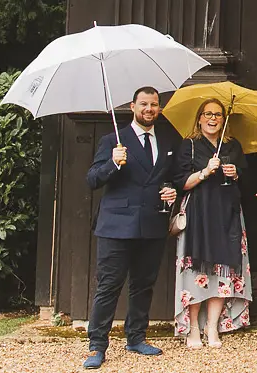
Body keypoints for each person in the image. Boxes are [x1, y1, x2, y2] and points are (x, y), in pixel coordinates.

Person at [83, 87, 180, 369]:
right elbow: (92, 180)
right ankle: (97, 345)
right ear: (132, 106)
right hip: (116, 226)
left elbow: (170, 178)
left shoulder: (166, 139)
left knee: (143, 285)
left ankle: (136, 337)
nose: (149, 109)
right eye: (144, 104)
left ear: (159, 108)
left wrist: (170, 191)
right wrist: (113, 162)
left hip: (152, 224)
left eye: (154, 104)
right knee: (108, 287)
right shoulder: (113, 140)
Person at [172, 99, 251, 349]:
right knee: (197, 272)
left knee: (222, 271)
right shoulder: (190, 145)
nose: (213, 118)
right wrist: (205, 172)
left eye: (217, 114)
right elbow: (181, 183)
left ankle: (212, 326)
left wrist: (235, 173)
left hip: (226, 213)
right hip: (199, 212)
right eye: (208, 114)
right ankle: (193, 327)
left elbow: (246, 179)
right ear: (199, 118)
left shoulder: (232, 145)